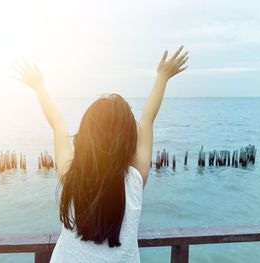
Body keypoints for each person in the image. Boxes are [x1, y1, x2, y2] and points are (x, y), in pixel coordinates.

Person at [15, 46, 188, 263]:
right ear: (129, 142)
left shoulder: (71, 177)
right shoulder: (134, 181)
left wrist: (38, 86)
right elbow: (147, 120)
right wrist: (163, 77)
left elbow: (59, 126)